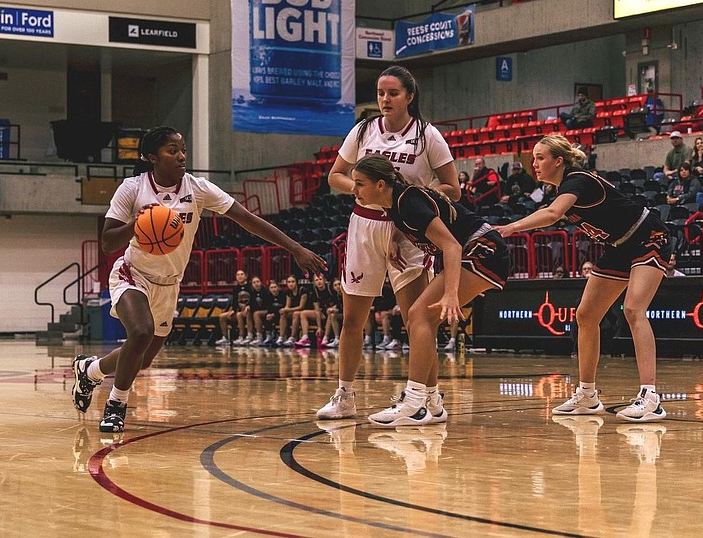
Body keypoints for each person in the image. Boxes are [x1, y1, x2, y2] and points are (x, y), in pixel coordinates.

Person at [71, 126, 325, 432]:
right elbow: (109, 242)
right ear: (152, 157)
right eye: (172, 151)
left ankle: (91, 370)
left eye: (183, 150)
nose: (181, 157)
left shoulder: (199, 188)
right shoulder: (132, 188)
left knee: (144, 357)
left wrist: (295, 248)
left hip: (169, 282)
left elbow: (249, 220)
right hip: (132, 274)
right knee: (140, 332)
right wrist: (138, 225)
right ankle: (116, 405)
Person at [316, 65, 460, 422]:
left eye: (393, 93)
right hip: (365, 225)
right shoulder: (363, 130)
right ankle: (345, 395)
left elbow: (453, 189)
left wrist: (410, 199)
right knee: (352, 319)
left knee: (418, 321)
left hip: (410, 231)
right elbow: (334, 175)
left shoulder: (427, 135)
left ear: (410, 97)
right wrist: (365, 188)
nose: (384, 99)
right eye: (381, 93)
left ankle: (431, 399)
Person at [496, 135, 671, 422]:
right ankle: (587, 396)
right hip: (619, 245)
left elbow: (553, 215)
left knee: (633, 309)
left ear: (559, 161)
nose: (534, 164)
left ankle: (650, 397)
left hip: (649, 236)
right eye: (533, 158)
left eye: (541, 158)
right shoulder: (565, 188)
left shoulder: (577, 180)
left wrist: (511, 227)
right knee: (586, 315)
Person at [349, 156, 508, 426]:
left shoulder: (407, 202)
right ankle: (432, 404)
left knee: (419, 315)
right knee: (418, 318)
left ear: (379, 184)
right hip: (479, 250)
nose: (354, 191)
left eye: (359, 184)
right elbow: (419, 221)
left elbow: (452, 246)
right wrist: (395, 240)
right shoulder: (398, 204)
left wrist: (450, 292)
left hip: (482, 250)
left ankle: (413, 403)